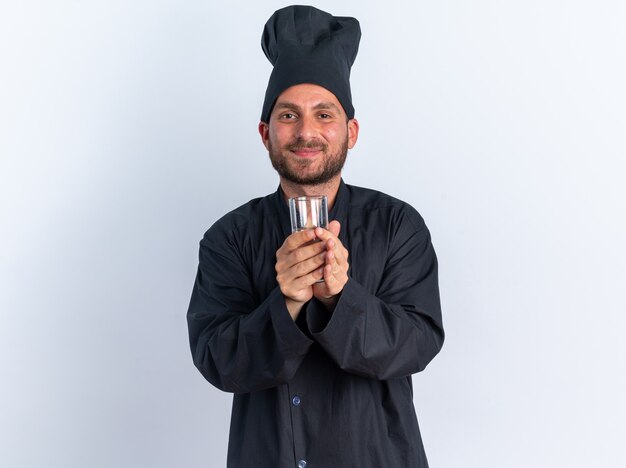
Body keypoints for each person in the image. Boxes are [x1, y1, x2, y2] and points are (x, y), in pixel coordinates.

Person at [187, 5, 444, 468]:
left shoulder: (397, 225)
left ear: (351, 131)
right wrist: (285, 303)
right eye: (288, 116)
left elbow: (418, 344)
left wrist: (339, 298)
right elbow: (217, 361)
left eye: (324, 114)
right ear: (266, 133)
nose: (306, 132)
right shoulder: (228, 237)